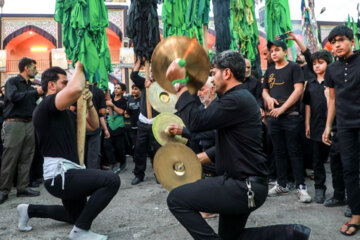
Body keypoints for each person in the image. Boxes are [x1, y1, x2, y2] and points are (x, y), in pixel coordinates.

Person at [166, 50, 269, 240]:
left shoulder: (236, 99)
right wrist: (200, 158)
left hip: (244, 186)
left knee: (176, 199)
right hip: (244, 183)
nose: (212, 80)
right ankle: (291, 233)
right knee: (231, 237)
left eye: (214, 73)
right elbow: (227, 141)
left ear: (227, 73)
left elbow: (196, 123)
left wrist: (179, 86)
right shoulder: (235, 98)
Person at [16, 64, 120, 240]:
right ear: (51, 85)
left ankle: (28, 210)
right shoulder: (46, 106)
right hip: (60, 175)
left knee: (74, 216)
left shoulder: (66, 113)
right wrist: (80, 65)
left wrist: (89, 103)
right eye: (64, 82)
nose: (67, 86)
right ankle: (80, 231)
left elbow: (92, 126)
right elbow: (76, 88)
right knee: (111, 180)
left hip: (70, 173)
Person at [322, 25, 360, 236]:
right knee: (349, 169)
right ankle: (356, 214)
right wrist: (328, 127)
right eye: (333, 41)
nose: (336, 44)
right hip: (345, 126)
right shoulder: (332, 69)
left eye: (341, 40)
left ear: (351, 41)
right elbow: (333, 100)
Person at [262, 40, 311, 203]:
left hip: (291, 116)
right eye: (272, 51)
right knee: (278, 151)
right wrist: (268, 98)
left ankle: (301, 186)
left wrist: (282, 109)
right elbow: (264, 91)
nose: (274, 53)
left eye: (277, 50)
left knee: (295, 151)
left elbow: (298, 90)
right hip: (274, 118)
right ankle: (281, 184)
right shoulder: (269, 71)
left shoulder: (294, 68)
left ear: (285, 51)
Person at [0, 57, 43, 204]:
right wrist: (34, 92)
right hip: (14, 124)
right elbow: (12, 97)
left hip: (29, 124)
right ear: (26, 68)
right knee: (10, 158)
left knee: (27, 157)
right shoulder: (12, 82)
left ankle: (22, 188)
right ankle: (3, 190)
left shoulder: (30, 86)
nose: (36, 70)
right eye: (34, 67)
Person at [302, 50, 333, 203]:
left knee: (336, 160)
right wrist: (307, 123)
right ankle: (319, 188)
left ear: (329, 64)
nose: (316, 66)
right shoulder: (311, 84)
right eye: (314, 64)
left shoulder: (333, 83)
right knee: (317, 161)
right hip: (315, 126)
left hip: (334, 127)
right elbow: (307, 105)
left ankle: (340, 191)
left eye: (320, 63)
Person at [130, 58, 160, 185]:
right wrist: (139, 63)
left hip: (157, 122)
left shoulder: (164, 85)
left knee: (158, 150)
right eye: (151, 71)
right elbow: (133, 75)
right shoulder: (144, 82)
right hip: (143, 122)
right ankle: (139, 174)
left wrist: (153, 87)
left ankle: (160, 173)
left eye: (155, 71)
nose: (152, 73)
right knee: (139, 150)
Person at [106, 82, 127, 173]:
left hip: (119, 126)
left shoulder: (123, 100)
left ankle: (122, 162)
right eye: (115, 88)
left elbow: (121, 112)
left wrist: (112, 105)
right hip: (110, 125)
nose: (116, 90)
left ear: (123, 91)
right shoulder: (110, 98)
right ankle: (113, 164)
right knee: (107, 145)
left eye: (118, 88)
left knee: (119, 146)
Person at [126, 84, 141, 155]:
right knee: (134, 143)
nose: (133, 91)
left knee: (140, 144)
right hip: (132, 125)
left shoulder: (143, 100)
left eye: (136, 89)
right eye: (133, 89)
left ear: (140, 90)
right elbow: (128, 112)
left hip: (141, 126)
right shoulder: (130, 100)